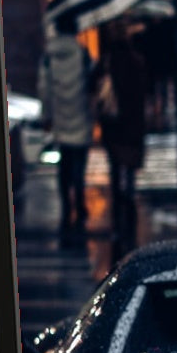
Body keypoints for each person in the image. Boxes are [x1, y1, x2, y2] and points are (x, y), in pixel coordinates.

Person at [37, 17, 94, 235]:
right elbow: (91, 84)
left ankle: (66, 208)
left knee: (64, 167)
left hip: (60, 118)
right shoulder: (83, 54)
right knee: (79, 164)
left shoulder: (49, 57)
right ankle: (79, 205)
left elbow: (44, 88)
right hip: (80, 115)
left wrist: (47, 115)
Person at [96, 24, 148, 257]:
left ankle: (119, 218)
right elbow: (144, 93)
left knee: (116, 170)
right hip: (132, 127)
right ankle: (129, 210)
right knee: (129, 173)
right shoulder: (137, 62)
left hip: (114, 127)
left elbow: (93, 89)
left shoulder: (107, 63)